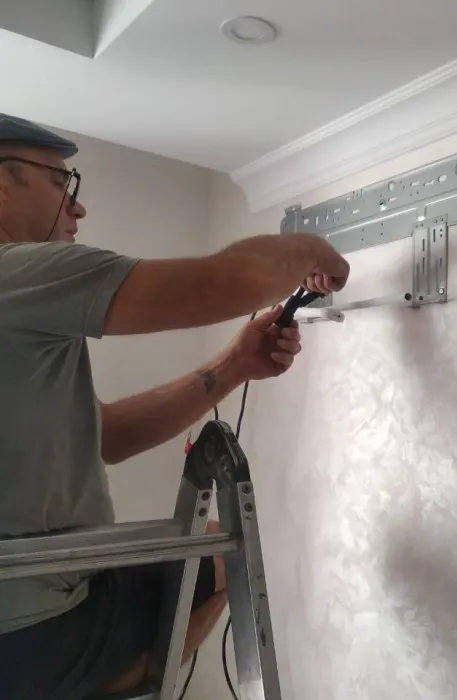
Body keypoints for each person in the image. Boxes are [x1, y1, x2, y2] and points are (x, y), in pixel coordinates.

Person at [0, 113, 350, 700]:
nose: (77, 206)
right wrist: (313, 247)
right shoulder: (16, 271)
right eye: (61, 183)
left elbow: (106, 436)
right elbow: (220, 284)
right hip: (35, 628)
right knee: (224, 555)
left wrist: (233, 366)